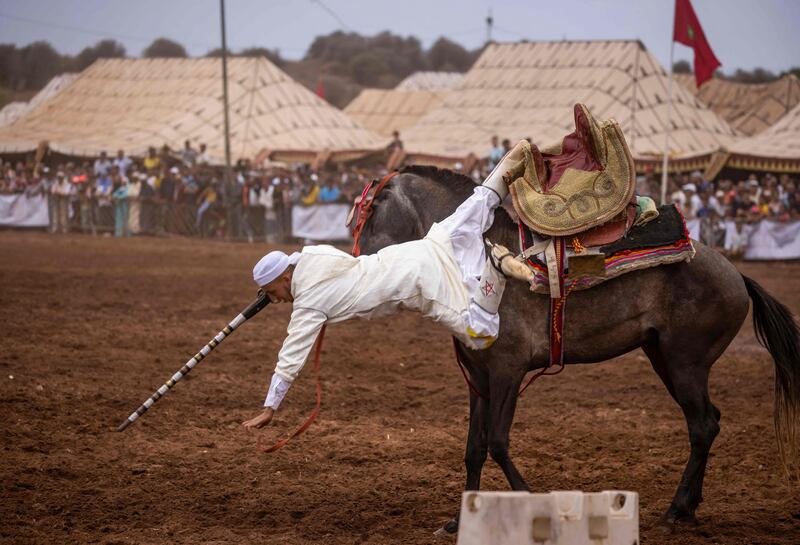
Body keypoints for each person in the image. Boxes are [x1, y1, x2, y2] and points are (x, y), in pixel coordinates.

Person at [242, 142, 534, 429]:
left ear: (284, 278)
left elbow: (291, 356)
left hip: (419, 281)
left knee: (481, 334)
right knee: (474, 210)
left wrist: (270, 407)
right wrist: (274, 283)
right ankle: (504, 168)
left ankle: (496, 268)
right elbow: (292, 262)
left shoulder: (307, 304)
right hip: (424, 246)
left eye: (273, 293)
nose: (276, 300)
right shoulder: (312, 256)